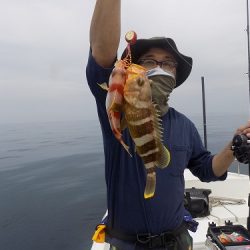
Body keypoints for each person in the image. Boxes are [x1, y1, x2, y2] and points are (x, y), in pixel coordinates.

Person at [86, 1, 250, 249]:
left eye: (168, 63)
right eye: (150, 61)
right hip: (128, 244)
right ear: (135, 69)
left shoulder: (184, 125)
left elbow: (206, 169)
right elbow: (102, 55)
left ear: (175, 74)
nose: (160, 67)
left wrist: (234, 146)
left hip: (178, 240)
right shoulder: (118, 108)